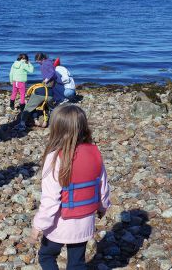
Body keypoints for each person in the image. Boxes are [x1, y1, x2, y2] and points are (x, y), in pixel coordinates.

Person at [29, 104, 111, 269]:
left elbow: (50, 199)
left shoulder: (55, 158)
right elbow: (102, 185)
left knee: (46, 256)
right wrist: (103, 207)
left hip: (59, 225)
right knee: (76, 263)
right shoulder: (94, 152)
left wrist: (39, 225)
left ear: (57, 129)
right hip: (84, 222)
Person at [14, 52, 64, 131]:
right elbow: (54, 75)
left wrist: (46, 79)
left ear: (42, 59)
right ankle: (53, 123)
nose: (38, 63)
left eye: (38, 61)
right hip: (50, 93)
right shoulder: (50, 62)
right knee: (51, 108)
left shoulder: (44, 64)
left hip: (43, 91)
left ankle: (22, 124)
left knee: (28, 107)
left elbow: (52, 73)